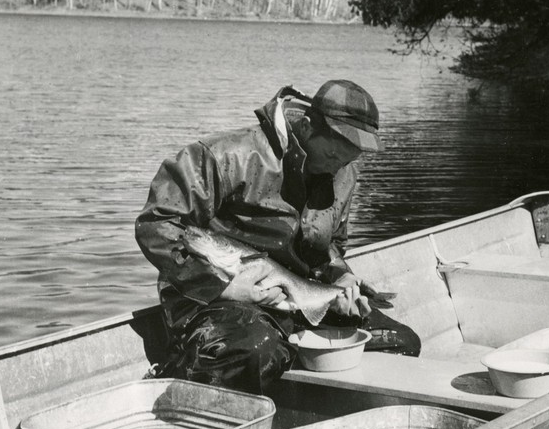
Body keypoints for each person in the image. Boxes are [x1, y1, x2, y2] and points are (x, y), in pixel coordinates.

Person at [135, 80, 420, 394]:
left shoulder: (343, 173)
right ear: (309, 127)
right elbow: (156, 223)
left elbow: (332, 245)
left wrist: (340, 279)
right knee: (257, 350)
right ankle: (178, 371)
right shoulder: (228, 156)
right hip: (212, 301)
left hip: (295, 305)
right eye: (334, 153)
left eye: (348, 159)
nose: (339, 166)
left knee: (403, 343)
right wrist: (227, 288)